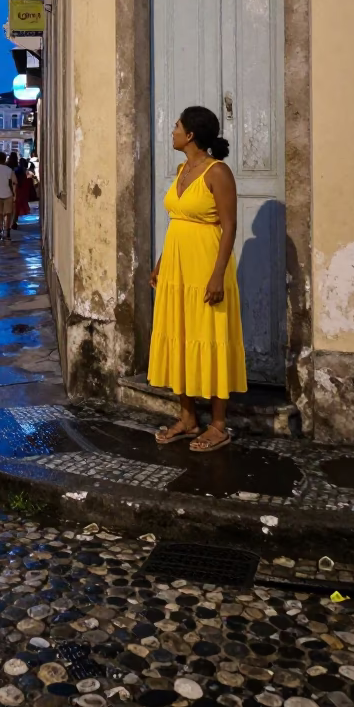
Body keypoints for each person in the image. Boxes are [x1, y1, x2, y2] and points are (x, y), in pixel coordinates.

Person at [148, 106, 247, 454]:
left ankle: (218, 424)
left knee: (211, 335)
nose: (172, 131)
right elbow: (178, 218)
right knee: (180, 333)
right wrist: (161, 262)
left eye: (176, 126)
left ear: (190, 135)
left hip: (207, 264)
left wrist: (218, 274)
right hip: (177, 266)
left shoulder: (217, 172)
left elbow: (230, 225)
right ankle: (187, 416)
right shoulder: (181, 170)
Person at [0, 151, 18, 240]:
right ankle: (7, 231)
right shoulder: (9, 170)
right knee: (8, 213)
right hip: (8, 194)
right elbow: (15, 182)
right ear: (5, 159)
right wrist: (14, 194)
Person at [14, 156, 32, 224]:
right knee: (22, 202)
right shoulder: (26, 171)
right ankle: (15, 220)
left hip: (18, 189)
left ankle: (14, 220)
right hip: (23, 190)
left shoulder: (16, 170)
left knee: (17, 204)